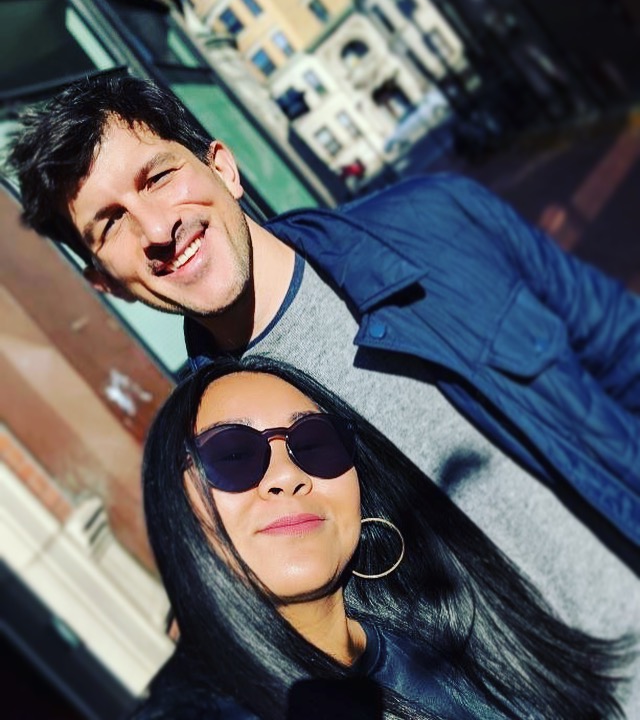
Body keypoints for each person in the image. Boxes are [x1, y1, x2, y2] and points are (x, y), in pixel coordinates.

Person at [7, 77, 640, 709]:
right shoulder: (208, 463)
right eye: (111, 223)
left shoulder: (439, 224)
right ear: (104, 284)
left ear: (222, 167)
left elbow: (622, 350)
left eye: (158, 177)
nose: (156, 228)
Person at [134, 356, 631, 720]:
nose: (287, 475)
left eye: (314, 444)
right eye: (232, 455)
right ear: (176, 504)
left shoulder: (443, 632)